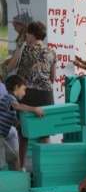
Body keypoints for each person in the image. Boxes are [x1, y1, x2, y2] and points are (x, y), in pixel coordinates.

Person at [6, 20, 56, 170]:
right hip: (46, 94)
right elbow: (52, 78)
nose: (26, 36)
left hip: (26, 93)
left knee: (23, 134)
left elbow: (10, 67)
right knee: (44, 133)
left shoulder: (23, 47)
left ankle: (21, 167)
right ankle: (47, 168)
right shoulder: (52, 52)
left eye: (28, 33)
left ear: (32, 35)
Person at [0, 75, 45, 171]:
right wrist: (34, 109)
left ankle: (14, 181)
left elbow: (13, 123)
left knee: (13, 157)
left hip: (2, 136)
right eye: (24, 89)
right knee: (4, 160)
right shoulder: (9, 98)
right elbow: (17, 106)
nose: (25, 93)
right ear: (16, 87)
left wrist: (24, 122)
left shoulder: (9, 101)